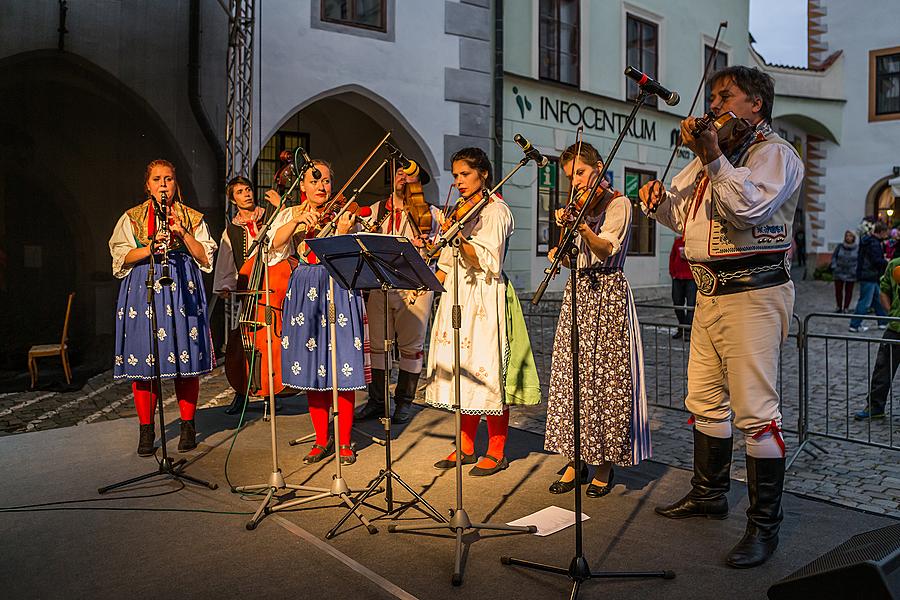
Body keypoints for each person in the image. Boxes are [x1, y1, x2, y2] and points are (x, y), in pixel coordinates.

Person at [639, 66, 804, 568]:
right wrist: (658, 203)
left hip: (754, 292)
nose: (713, 104)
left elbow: (748, 211)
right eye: (712, 95)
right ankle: (709, 494)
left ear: (755, 102)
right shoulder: (714, 156)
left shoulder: (775, 155)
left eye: (724, 95)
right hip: (708, 293)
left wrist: (712, 155)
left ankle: (763, 527)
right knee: (705, 401)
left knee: (756, 412)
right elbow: (684, 218)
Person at [543, 142, 651, 498]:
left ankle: (604, 462)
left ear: (599, 168)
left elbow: (606, 248)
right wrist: (559, 249)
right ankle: (576, 458)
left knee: (606, 379)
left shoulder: (618, 204)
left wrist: (581, 227)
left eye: (580, 173)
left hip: (606, 293)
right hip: (578, 294)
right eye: (570, 177)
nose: (575, 183)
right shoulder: (579, 207)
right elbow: (570, 257)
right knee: (573, 377)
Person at [426, 147, 541, 476]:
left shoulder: (496, 211)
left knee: (487, 371)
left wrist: (459, 236)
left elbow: (487, 261)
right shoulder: (463, 210)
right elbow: (446, 265)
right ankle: (463, 445)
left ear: (484, 174)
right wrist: (421, 285)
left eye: (465, 174)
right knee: (460, 371)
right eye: (456, 176)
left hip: (485, 296)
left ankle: (496, 449)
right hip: (457, 296)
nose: (459, 181)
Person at [109, 159, 217, 456]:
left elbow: (205, 258)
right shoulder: (132, 217)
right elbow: (120, 258)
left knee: (187, 364)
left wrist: (182, 233)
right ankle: (146, 430)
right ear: (148, 185)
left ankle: (187, 427)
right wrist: (149, 248)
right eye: (157, 179)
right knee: (146, 364)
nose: (163, 184)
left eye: (168, 179)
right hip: (144, 289)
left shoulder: (191, 217)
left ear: (175, 183)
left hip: (182, 288)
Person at [267, 160, 370, 465]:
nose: (321, 187)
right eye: (314, 181)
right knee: (312, 365)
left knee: (342, 366)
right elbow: (273, 244)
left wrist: (341, 231)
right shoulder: (290, 214)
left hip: (339, 283)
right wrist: (296, 224)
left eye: (326, 181)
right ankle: (322, 440)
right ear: (302, 186)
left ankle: (345, 441)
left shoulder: (345, 213)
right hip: (305, 285)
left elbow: (356, 253)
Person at [355, 165, 441, 425]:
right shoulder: (377, 211)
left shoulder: (431, 213)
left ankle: (404, 401)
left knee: (411, 347)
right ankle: (378, 401)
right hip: (380, 285)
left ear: (419, 182)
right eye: (399, 172)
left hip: (414, 288)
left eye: (410, 174)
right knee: (378, 346)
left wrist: (428, 247)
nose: (403, 177)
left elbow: (438, 248)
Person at [212, 176, 267, 415]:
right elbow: (227, 261)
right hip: (248, 290)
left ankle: (273, 389)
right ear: (233, 200)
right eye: (240, 192)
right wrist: (226, 284)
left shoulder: (270, 217)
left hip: (271, 286)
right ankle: (242, 391)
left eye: (248, 189)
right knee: (246, 343)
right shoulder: (232, 229)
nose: (246, 194)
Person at [854, 258, 900, 420]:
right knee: (882, 369)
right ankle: (875, 406)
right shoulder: (895, 265)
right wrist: (892, 315)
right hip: (896, 328)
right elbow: (884, 291)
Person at [849, 222, 889, 333]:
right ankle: (855, 324)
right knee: (865, 301)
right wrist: (887, 262)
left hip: (870, 275)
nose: (887, 235)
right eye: (886, 232)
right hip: (869, 275)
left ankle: (883, 322)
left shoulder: (870, 241)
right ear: (881, 232)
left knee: (878, 299)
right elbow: (876, 260)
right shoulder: (874, 243)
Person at [669, 234, 696, 340]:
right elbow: (672, 257)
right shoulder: (677, 242)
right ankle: (682, 327)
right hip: (677, 278)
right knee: (677, 304)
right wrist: (672, 273)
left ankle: (688, 330)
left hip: (691, 278)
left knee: (691, 305)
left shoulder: (694, 243)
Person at [830, 230, 858, 313]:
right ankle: (839, 306)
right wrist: (834, 266)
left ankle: (846, 307)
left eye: (850, 236)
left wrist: (856, 269)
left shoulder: (857, 248)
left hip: (851, 272)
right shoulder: (840, 246)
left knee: (849, 291)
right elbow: (834, 256)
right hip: (839, 271)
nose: (848, 238)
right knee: (838, 290)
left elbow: (859, 259)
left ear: (853, 238)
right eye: (847, 236)